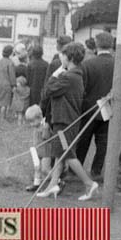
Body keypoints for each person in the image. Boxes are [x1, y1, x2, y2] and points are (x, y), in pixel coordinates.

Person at [37, 42, 99, 201]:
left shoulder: (68, 77)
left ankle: (89, 183)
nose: (60, 58)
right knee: (60, 155)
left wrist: (55, 73)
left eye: (62, 56)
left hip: (64, 122)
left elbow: (47, 91)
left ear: (69, 57)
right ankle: (52, 185)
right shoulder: (76, 75)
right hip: (65, 121)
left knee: (67, 154)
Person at [75, 32, 115, 179]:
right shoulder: (118, 64)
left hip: (88, 109)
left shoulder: (87, 64)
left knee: (83, 142)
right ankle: (96, 171)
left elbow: (81, 88)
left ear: (96, 45)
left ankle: (75, 171)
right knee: (102, 144)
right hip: (109, 109)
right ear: (111, 45)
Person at [24, 104, 52, 192]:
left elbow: (48, 138)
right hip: (37, 151)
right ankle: (36, 184)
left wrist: (45, 132)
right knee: (37, 168)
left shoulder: (45, 126)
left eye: (32, 121)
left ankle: (57, 181)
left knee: (45, 169)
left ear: (40, 118)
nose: (31, 124)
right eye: (29, 122)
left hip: (46, 152)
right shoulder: (36, 127)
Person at [0, 45, 16, 121]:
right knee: (5, 103)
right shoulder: (10, 63)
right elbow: (12, 75)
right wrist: (14, 85)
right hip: (7, 84)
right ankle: (2, 118)